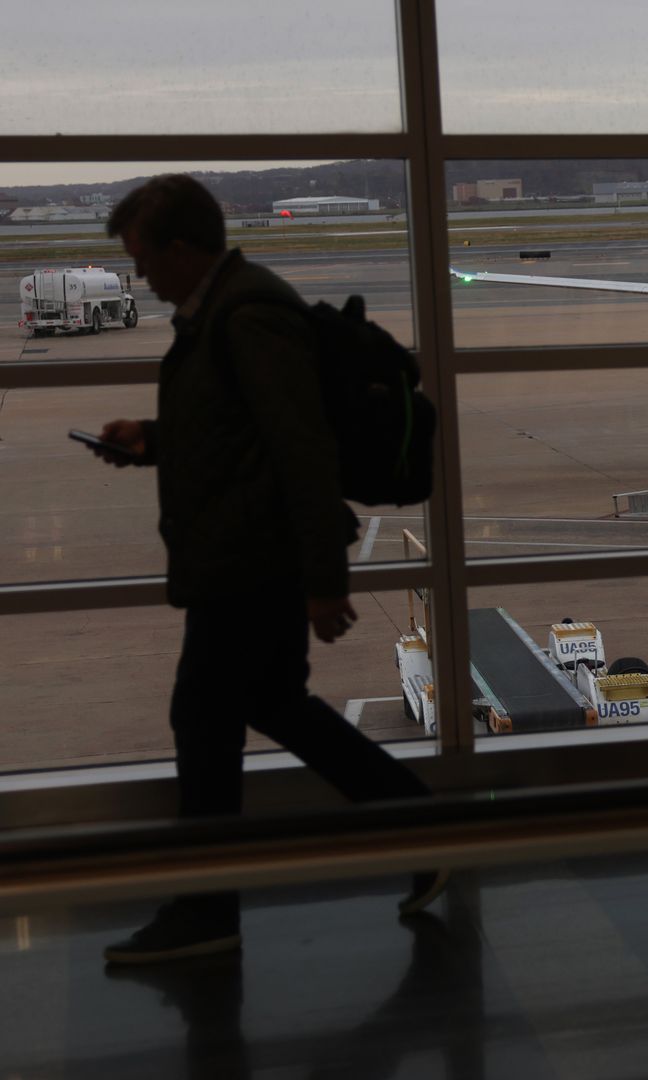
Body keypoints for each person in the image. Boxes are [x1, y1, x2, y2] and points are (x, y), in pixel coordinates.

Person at [87, 174, 445, 965]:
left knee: (203, 722)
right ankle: (422, 824)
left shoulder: (247, 315)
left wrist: (325, 579)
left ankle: (207, 907)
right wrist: (150, 438)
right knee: (275, 704)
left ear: (183, 250)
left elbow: (301, 448)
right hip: (247, 554)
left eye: (145, 261)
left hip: (252, 562)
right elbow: (237, 432)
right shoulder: (224, 311)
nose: (140, 278)